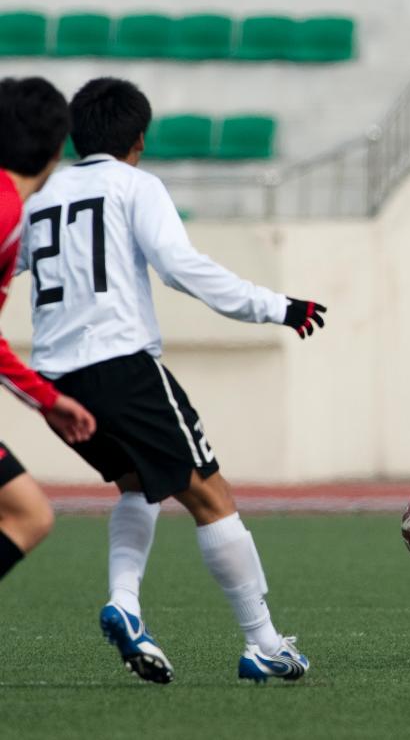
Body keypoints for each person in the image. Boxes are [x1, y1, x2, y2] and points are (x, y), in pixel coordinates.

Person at [19, 77, 328, 683]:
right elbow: (181, 267)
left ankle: (125, 604)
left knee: (139, 487)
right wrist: (276, 306)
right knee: (212, 497)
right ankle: (262, 641)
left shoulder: (40, 196)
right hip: (124, 365)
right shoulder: (136, 185)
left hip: (55, 380)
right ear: (139, 139)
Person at [0, 77, 97, 584]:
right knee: (28, 515)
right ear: (57, 149)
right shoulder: (5, 210)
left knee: (28, 514)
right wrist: (45, 398)